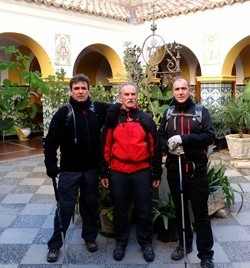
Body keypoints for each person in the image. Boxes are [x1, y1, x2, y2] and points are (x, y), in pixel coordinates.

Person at [44, 74, 110, 262]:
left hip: (91, 170)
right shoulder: (63, 113)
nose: (80, 92)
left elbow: (118, 109)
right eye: (76, 88)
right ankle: (55, 244)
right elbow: (50, 141)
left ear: (89, 90)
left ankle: (89, 238)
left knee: (90, 206)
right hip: (69, 170)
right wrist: (50, 164)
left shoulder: (97, 110)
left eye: (83, 88)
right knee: (64, 208)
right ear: (71, 91)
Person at [100, 82, 162, 262]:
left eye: (132, 94)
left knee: (144, 209)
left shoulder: (146, 119)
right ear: (120, 97)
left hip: (141, 171)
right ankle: (121, 243)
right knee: (120, 209)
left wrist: (156, 172)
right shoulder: (113, 119)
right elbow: (105, 146)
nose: (129, 97)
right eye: (126, 94)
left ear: (137, 96)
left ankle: (146, 244)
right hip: (118, 171)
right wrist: (104, 172)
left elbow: (155, 147)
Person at [158, 77, 215, 268]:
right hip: (176, 170)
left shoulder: (200, 112)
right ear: (173, 91)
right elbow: (159, 136)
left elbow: (209, 136)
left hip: (195, 171)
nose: (180, 92)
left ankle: (206, 254)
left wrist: (184, 139)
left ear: (189, 90)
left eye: (183, 88)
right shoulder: (168, 113)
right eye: (177, 89)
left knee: (201, 214)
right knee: (180, 211)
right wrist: (167, 145)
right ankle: (184, 244)